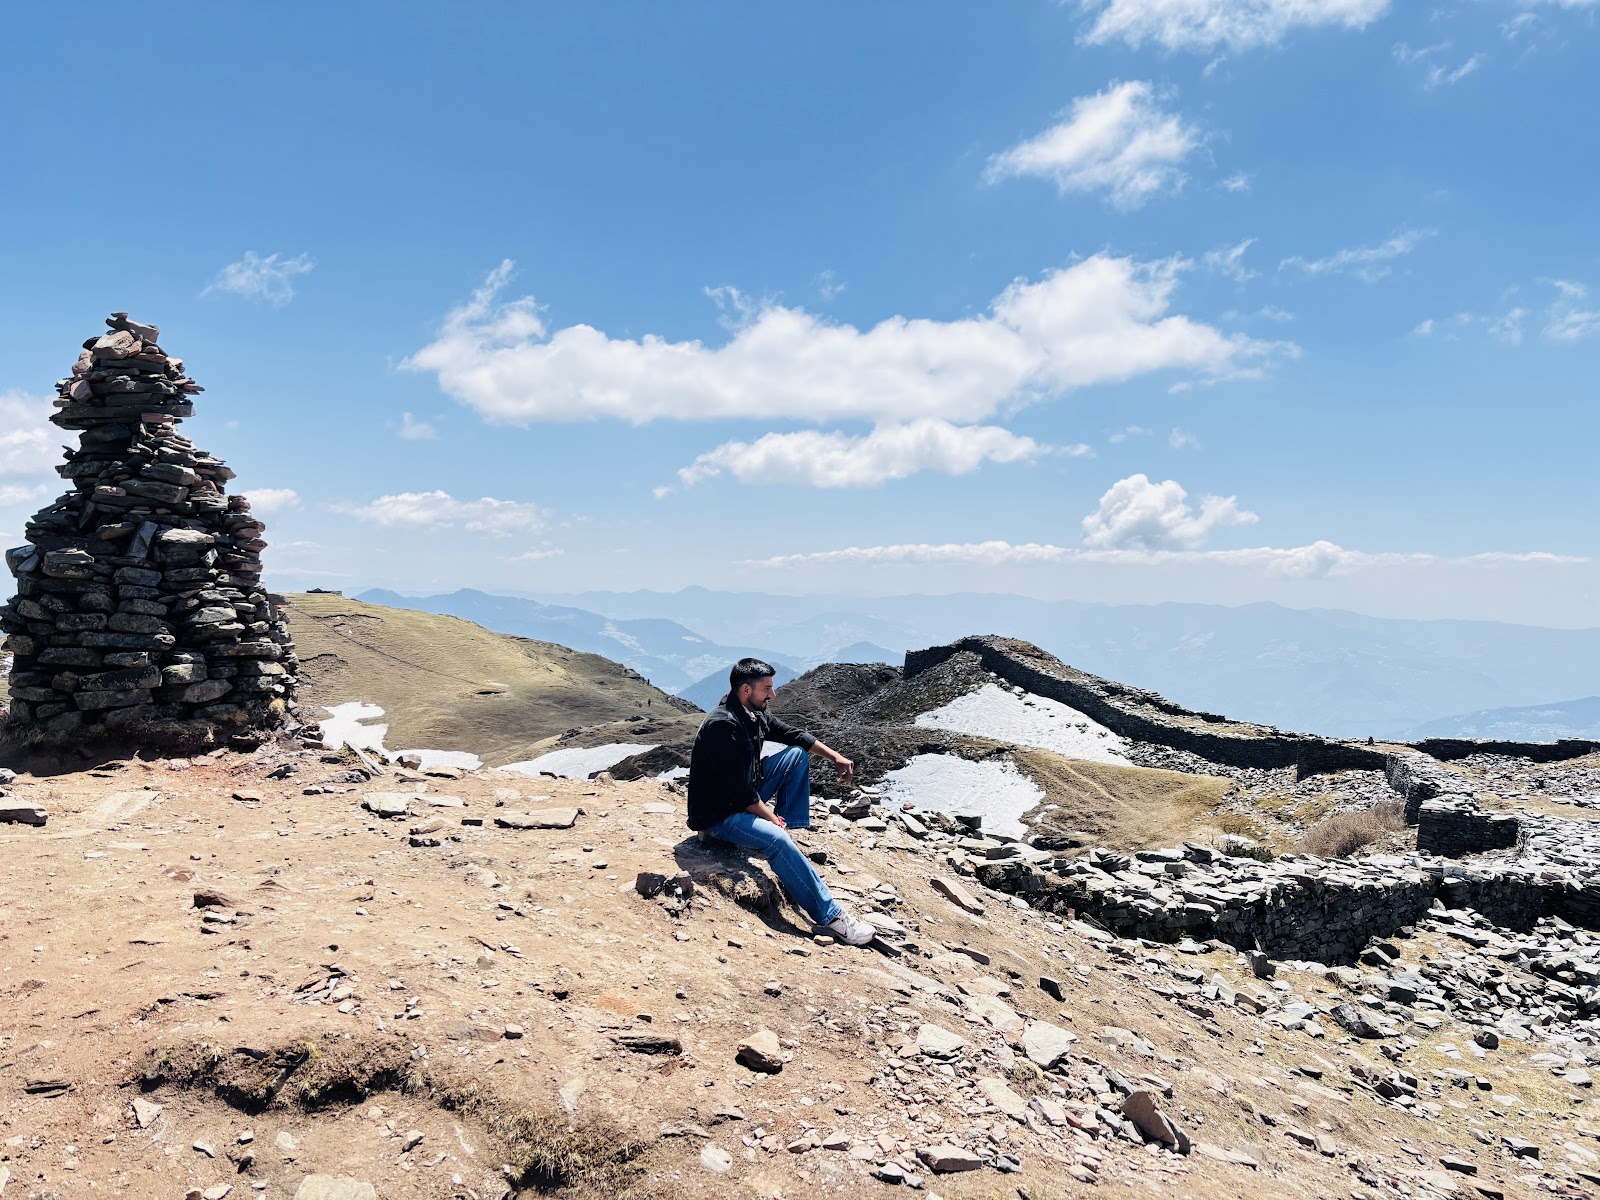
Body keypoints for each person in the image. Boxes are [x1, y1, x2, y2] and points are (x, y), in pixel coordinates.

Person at [687, 658, 876, 946]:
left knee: (795, 755)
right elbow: (741, 794)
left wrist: (835, 756)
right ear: (746, 690)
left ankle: (786, 838)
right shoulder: (723, 726)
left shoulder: (753, 714)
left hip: (740, 798)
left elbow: (794, 736)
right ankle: (832, 918)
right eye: (767, 688)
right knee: (776, 839)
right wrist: (772, 820)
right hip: (718, 815)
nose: (773, 694)